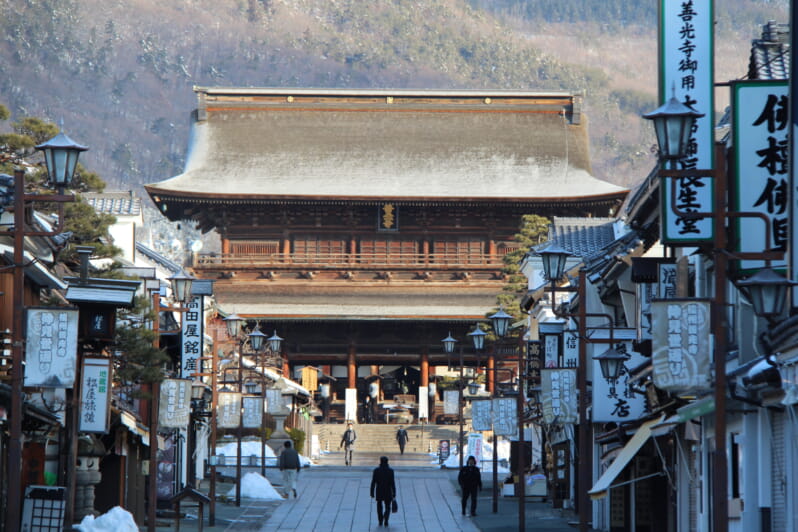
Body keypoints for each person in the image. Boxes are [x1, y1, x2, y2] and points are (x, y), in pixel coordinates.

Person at [370, 456, 396, 527]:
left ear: (380, 461)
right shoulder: (390, 471)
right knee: (388, 506)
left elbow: (373, 482)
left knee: (379, 506)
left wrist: (372, 492)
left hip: (379, 490)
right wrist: (394, 492)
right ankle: (386, 519)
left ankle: (380, 520)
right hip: (388, 490)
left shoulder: (376, 470)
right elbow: (392, 483)